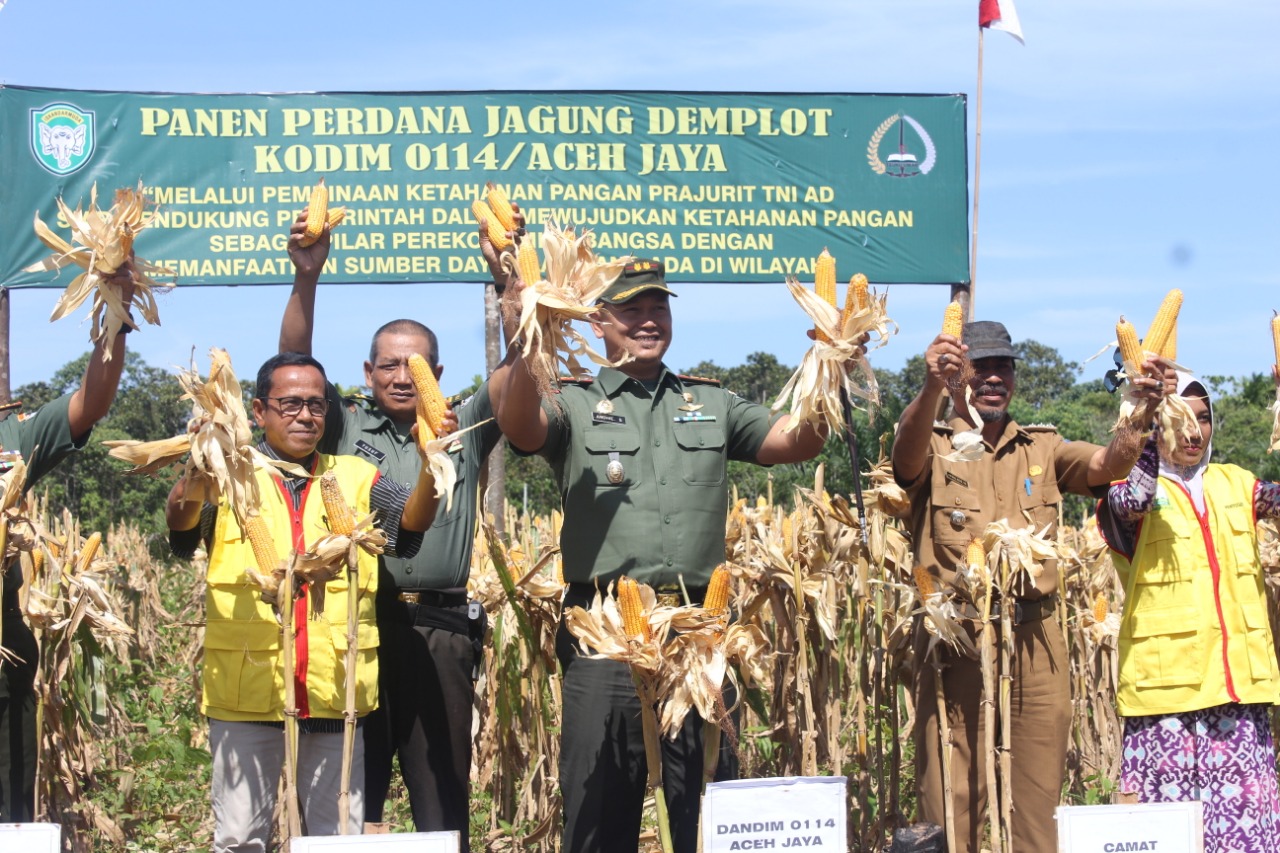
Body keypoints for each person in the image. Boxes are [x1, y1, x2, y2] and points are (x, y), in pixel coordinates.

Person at [496, 259, 832, 853]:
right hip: (603, 632)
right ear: (599, 321)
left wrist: (833, 359)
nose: (648, 321)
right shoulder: (572, 403)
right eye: (632, 310)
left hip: (699, 631)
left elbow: (797, 441)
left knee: (703, 802)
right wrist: (527, 337)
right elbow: (520, 427)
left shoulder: (713, 401)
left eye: (659, 308)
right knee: (599, 806)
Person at [278, 210, 515, 845]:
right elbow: (291, 362)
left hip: (441, 629)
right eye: (387, 365)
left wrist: (510, 280)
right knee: (352, 789)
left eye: (417, 365)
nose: (402, 375)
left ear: (438, 369)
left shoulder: (465, 424)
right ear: (366, 373)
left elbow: (524, 372)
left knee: (442, 787)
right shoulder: (345, 427)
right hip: (357, 623)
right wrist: (307, 277)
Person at [890, 319, 1171, 853]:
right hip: (958, 642)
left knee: (1040, 804)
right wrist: (929, 388)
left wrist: (1141, 408)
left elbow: (1109, 463)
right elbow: (905, 462)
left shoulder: (1041, 448)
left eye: (1003, 368)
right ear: (954, 376)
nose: (992, 378)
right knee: (952, 799)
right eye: (979, 368)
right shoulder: (934, 441)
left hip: (1036, 641)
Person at [166, 352, 441, 851]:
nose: (305, 416)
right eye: (289, 404)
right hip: (248, 694)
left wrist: (432, 464)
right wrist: (200, 460)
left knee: (337, 838)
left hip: (334, 690)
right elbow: (180, 528)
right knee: (241, 837)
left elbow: (410, 524)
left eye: (316, 405)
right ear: (258, 410)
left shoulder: (356, 476)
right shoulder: (227, 476)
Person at [1098, 370, 1280, 853]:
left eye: (1202, 419)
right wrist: (1148, 413)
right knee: (1170, 838)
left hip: (1236, 695)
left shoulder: (1238, 484)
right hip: (1166, 703)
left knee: (1244, 837)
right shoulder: (1126, 493)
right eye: (1180, 419)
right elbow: (1133, 497)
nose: (1195, 432)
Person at [0, 264, 141, 822]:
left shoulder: (15, 435)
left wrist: (116, 311)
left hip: (7, 658)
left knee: (9, 807)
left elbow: (93, 400)